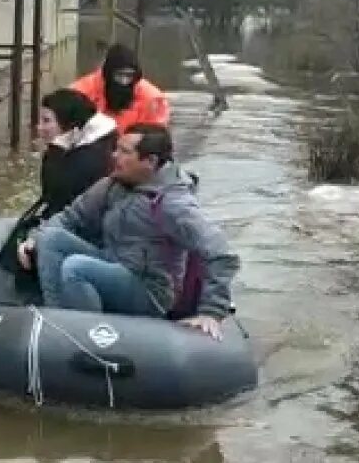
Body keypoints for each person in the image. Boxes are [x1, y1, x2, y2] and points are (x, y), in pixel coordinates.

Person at [17, 124, 239, 340]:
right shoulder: (113, 185)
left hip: (149, 288)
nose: (114, 155)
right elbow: (70, 217)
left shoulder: (174, 204)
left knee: (76, 267)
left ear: (150, 161)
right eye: (116, 148)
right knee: (51, 238)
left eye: (124, 152)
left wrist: (212, 312)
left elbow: (222, 253)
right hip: (114, 263)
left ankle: (86, 336)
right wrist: (33, 239)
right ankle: (59, 322)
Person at [0, 90, 117, 280]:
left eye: (47, 121)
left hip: (87, 237)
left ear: (72, 126)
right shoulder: (84, 149)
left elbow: (56, 197)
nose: (39, 128)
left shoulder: (89, 159)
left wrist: (55, 151)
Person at [71, 43, 170, 134]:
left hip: (133, 148)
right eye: (119, 75)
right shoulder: (80, 92)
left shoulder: (153, 99)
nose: (124, 81)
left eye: (129, 76)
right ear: (108, 74)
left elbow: (157, 137)